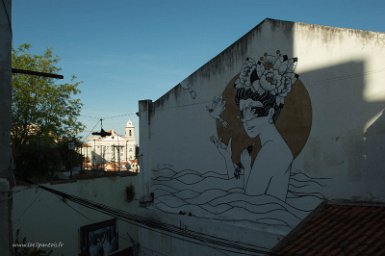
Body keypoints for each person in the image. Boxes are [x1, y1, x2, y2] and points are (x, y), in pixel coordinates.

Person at [213, 51, 298, 201]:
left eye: (253, 111)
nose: (247, 122)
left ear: (271, 113)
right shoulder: (276, 146)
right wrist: (228, 159)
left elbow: (248, 202)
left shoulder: (271, 151)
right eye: (243, 114)